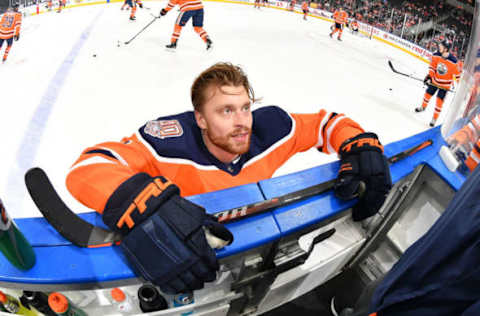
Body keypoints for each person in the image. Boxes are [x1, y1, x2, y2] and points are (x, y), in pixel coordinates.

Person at [65, 62, 392, 294]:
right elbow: (89, 167)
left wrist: (358, 144)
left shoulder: (273, 128)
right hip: (192, 265)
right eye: (225, 111)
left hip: (257, 254)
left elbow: (327, 124)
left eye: (245, 108)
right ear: (200, 119)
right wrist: (142, 203)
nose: (242, 122)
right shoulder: (166, 142)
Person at [415, 40, 461, 127]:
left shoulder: (454, 62)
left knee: (439, 102)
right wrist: (429, 76)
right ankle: (423, 107)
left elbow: (458, 76)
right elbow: (432, 66)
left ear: (446, 49)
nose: (439, 46)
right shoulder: (436, 55)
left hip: (445, 86)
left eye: (441, 46)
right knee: (427, 94)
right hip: (435, 81)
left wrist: (460, 88)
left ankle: (434, 118)